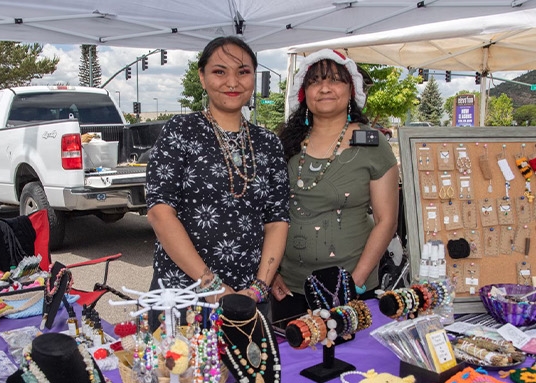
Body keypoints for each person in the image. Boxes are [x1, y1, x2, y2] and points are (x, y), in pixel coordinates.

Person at [144, 36, 289, 306]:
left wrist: (259, 287)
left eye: (243, 72)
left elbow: (277, 221)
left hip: (250, 298)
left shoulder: (268, 143)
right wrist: (211, 285)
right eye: (219, 72)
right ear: (202, 77)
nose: (232, 82)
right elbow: (160, 212)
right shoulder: (181, 130)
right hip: (185, 294)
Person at [271, 50, 399, 318]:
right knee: (295, 358)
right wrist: (270, 273)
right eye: (315, 81)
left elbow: (386, 220)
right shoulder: (284, 143)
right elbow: (267, 213)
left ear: (351, 89)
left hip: (352, 287)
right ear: (304, 92)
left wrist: (355, 282)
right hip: (289, 288)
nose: (325, 88)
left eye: (335, 80)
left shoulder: (373, 142)